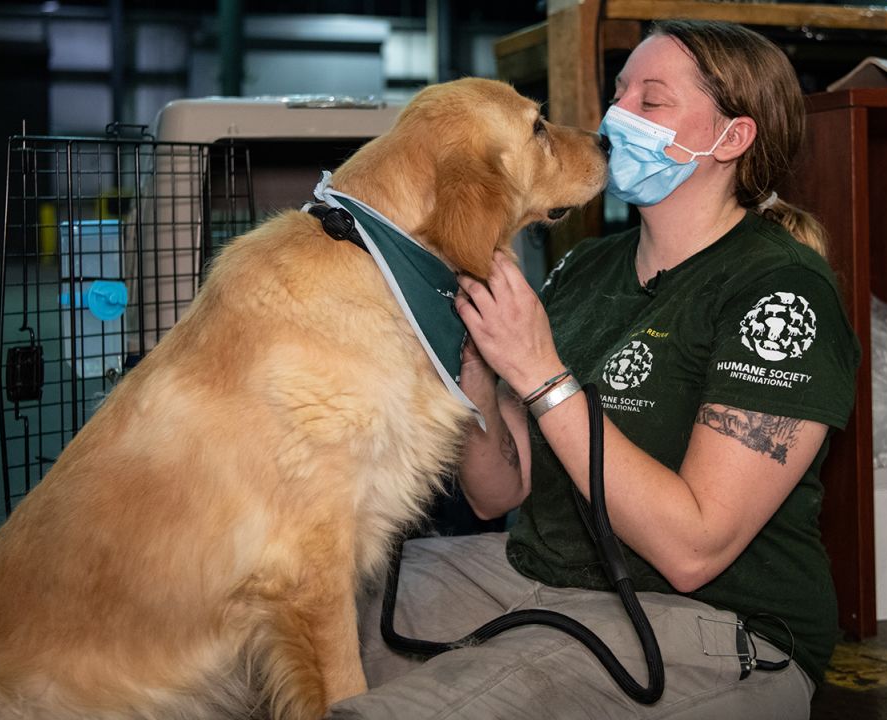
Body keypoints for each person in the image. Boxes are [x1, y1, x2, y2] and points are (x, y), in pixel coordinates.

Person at [329, 19, 860, 720]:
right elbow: (496, 495)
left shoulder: (779, 293)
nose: (615, 118)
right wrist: (478, 372)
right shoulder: (586, 267)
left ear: (732, 138)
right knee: (290, 614)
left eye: (652, 100)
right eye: (619, 93)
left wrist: (543, 374)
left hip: (708, 623)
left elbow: (693, 549)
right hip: (535, 576)